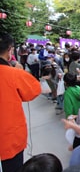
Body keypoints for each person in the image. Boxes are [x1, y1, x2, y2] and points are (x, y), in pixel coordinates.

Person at [0, 32, 41, 172]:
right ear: (10, 49)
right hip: (9, 139)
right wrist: (20, 71)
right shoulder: (14, 74)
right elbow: (33, 91)